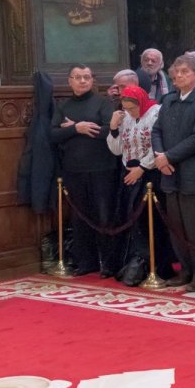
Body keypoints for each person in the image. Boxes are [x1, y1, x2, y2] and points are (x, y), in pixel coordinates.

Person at [151, 54, 195, 292]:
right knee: (177, 227)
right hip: (169, 173)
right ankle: (186, 269)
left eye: (185, 72)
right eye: (176, 72)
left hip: (194, 173)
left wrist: (168, 157)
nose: (178, 76)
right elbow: (156, 130)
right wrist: (160, 156)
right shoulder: (169, 100)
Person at [49, 65, 120, 277]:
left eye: (86, 77)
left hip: (102, 169)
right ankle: (86, 262)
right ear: (70, 81)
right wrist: (76, 128)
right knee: (80, 218)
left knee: (104, 216)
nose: (82, 81)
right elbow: (53, 134)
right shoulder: (63, 106)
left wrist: (78, 128)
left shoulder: (103, 103)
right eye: (78, 77)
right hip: (73, 170)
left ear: (92, 80)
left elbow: (110, 130)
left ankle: (109, 263)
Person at [106, 85, 172, 282]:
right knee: (133, 221)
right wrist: (113, 128)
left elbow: (158, 144)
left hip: (151, 174)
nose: (130, 112)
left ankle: (158, 267)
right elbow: (117, 150)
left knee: (153, 222)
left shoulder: (156, 113)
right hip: (129, 174)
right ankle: (138, 265)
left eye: (133, 108)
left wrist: (142, 167)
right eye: (126, 108)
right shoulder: (125, 117)